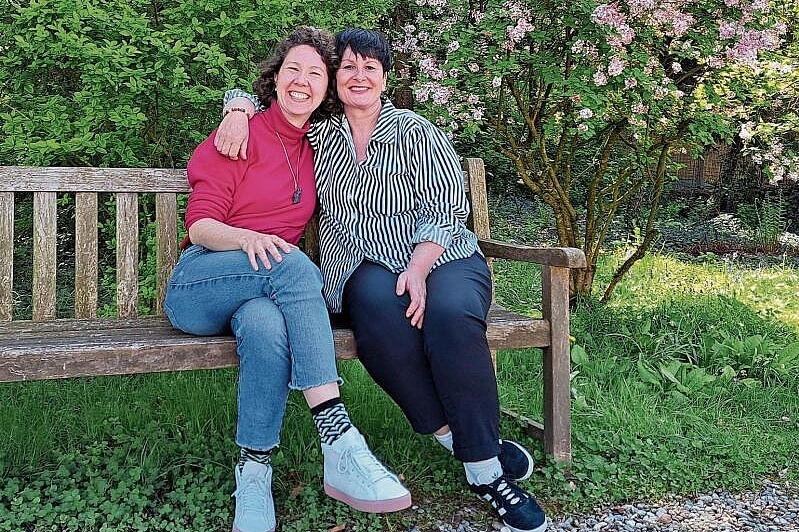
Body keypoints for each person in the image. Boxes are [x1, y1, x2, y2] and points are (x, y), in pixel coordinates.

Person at [214, 27, 548, 532]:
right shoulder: (319, 137)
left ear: (385, 78)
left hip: (443, 256)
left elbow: (450, 208)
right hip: (362, 267)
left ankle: (486, 475)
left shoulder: (415, 130)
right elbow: (276, 104)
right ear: (335, 80)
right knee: (372, 308)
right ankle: (461, 440)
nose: (359, 75)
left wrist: (419, 268)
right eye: (347, 66)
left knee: (448, 312)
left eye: (370, 67)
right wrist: (236, 106)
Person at [163, 26, 411, 532]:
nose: (302, 81)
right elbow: (200, 225)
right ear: (274, 79)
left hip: (260, 293)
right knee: (295, 263)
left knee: (267, 329)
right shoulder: (240, 133)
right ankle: (337, 435)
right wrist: (246, 239)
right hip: (200, 285)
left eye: (316, 73)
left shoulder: (318, 143)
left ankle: (253, 473)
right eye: (292, 69)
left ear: (326, 89)